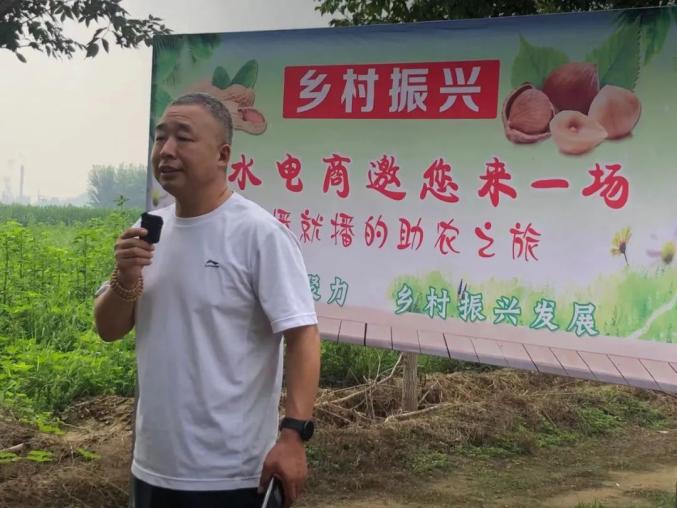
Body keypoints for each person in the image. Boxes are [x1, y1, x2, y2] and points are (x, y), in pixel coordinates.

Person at [94, 92, 321, 508]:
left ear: (223, 155)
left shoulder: (258, 234)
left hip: (232, 474)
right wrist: (125, 276)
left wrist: (293, 434)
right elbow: (108, 329)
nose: (166, 150)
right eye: (160, 137)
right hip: (152, 465)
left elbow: (303, 335)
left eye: (183, 138)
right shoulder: (148, 229)